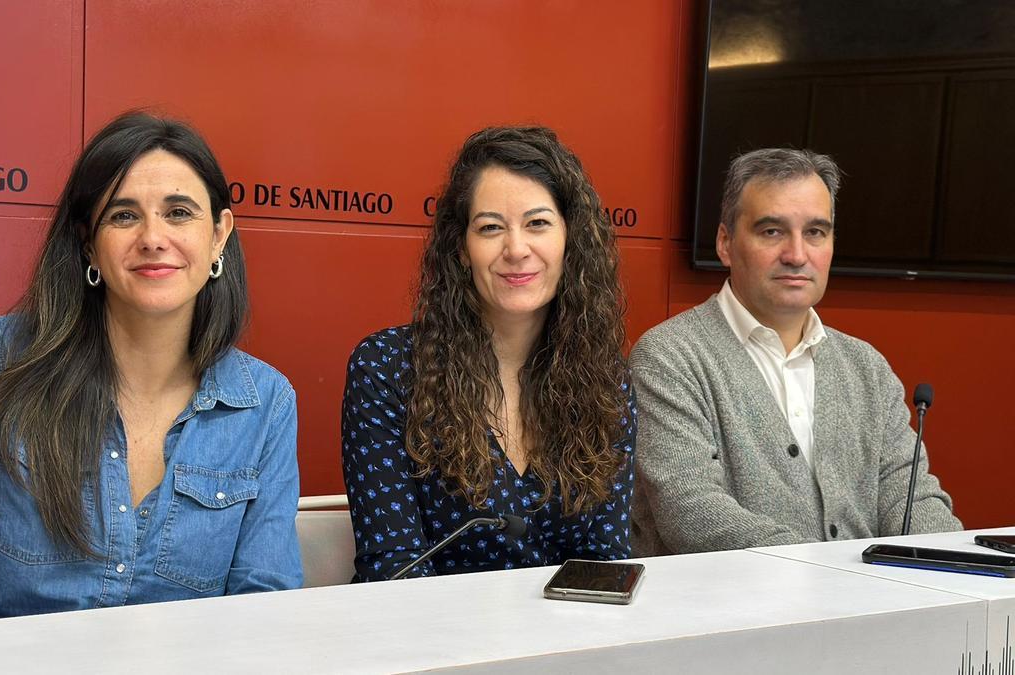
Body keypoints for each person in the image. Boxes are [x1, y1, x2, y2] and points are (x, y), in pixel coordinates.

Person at [0, 112, 302, 633]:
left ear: (219, 235)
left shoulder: (265, 402)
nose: (153, 237)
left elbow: (264, 611)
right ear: (87, 243)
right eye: (123, 216)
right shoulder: (0, 360)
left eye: (178, 213)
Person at [630, 148, 961, 556]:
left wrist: (957, 562)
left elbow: (910, 498)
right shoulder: (670, 357)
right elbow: (692, 512)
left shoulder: (866, 367)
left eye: (815, 233)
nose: (797, 255)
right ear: (725, 243)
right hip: (731, 615)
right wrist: (833, 579)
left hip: (868, 607)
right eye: (772, 231)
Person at [341, 126, 636, 582]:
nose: (516, 249)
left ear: (569, 239)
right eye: (491, 227)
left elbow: (606, 562)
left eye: (537, 223)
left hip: (569, 641)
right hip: (433, 641)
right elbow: (392, 568)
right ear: (461, 249)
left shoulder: (606, 381)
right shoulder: (388, 367)